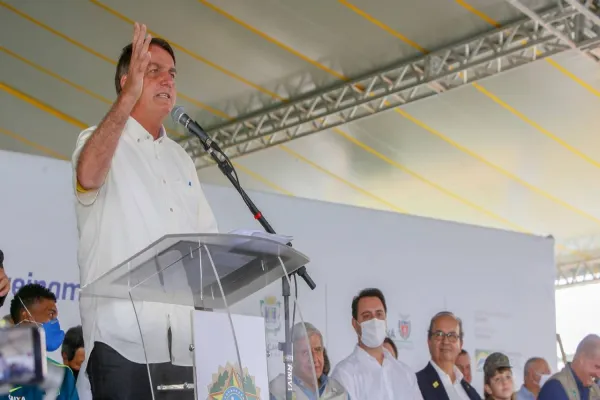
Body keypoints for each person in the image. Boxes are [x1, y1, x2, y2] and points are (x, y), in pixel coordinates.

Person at [72, 22, 218, 400]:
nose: (167, 80)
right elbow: (88, 175)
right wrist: (127, 101)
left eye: (172, 73)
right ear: (127, 82)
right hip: (121, 344)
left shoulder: (182, 160)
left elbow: (208, 246)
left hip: (182, 346)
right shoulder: (98, 141)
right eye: (153, 71)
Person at [331, 288, 423, 400]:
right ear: (355, 324)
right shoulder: (344, 374)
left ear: (385, 319)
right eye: (366, 316)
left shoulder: (405, 373)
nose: (374, 321)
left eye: (379, 314)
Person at [0, 283, 78, 400]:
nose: (55, 322)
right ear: (26, 315)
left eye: (55, 317)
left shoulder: (63, 377)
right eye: (50, 314)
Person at [269, 322, 349, 400]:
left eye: (318, 350)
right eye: (306, 352)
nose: (314, 359)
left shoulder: (339, 391)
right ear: (292, 357)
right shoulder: (278, 391)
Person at [416, 311, 481, 400]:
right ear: (429, 341)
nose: (445, 341)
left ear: (461, 344)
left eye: (452, 336)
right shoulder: (416, 383)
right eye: (439, 334)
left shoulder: (472, 393)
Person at [538, 334, 600, 399]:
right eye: (597, 367)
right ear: (582, 358)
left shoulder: (594, 389)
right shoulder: (555, 388)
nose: (599, 375)